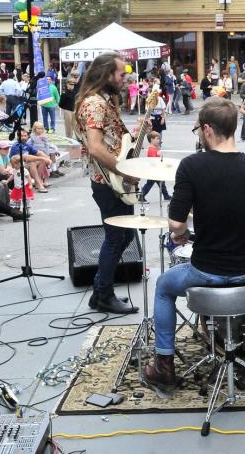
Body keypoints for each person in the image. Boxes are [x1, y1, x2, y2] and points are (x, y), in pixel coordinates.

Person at [144, 99, 245, 393]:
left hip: (206, 273)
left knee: (164, 287)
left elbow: (177, 225)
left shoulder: (192, 167)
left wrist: (183, 233)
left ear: (207, 129)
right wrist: (244, 227)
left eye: (197, 130)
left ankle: (164, 365)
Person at [74, 51, 139, 314]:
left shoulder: (101, 100)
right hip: (108, 182)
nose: (125, 78)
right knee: (116, 238)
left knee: (125, 235)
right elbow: (95, 147)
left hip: (110, 180)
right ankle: (103, 294)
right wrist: (124, 170)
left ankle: (101, 289)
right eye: (121, 74)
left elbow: (109, 141)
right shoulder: (95, 104)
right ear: (106, 74)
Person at [9, 128, 51, 192]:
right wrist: (43, 158)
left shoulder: (27, 145)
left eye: (25, 136)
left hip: (25, 164)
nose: (23, 138)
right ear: (18, 136)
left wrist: (48, 159)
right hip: (17, 166)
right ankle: (39, 185)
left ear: (28, 136)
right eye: (21, 136)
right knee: (33, 163)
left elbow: (39, 152)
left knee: (42, 161)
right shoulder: (16, 145)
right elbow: (26, 158)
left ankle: (38, 182)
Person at [140, 132, 172, 202]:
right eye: (157, 139)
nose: (159, 141)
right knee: (149, 184)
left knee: (162, 183)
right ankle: (141, 196)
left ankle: (166, 195)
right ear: (152, 139)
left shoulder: (155, 148)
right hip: (154, 170)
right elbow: (153, 161)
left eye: (159, 139)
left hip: (157, 170)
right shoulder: (151, 150)